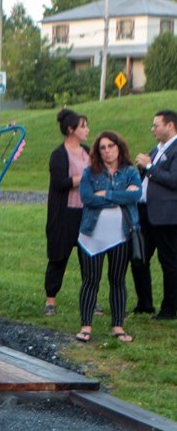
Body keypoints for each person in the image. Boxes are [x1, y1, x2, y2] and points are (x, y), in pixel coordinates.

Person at [76, 132, 142, 343]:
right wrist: (121, 196)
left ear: (119, 148)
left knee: (118, 280)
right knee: (90, 280)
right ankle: (86, 326)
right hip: (92, 235)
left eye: (111, 146)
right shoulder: (90, 173)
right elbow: (87, 198)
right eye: (102, 147)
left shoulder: (130, 172)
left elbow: (135, 195)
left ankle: (118, 326)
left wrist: (106, 194)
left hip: (121, 235)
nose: (107, 151)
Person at [44, 109, 89, 317]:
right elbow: (59, 183)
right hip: (64, 215)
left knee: (89, 259)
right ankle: (50, 300)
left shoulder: (88, 151)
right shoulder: (59, 154)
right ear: (71, 129)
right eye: (83, 126)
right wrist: (84, 177)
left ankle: (90, 299)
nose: (87, 130)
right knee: (58, 256)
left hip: (86, 213)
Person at [133, 109, 177, 319]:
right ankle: (144, 303)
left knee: (169, 261)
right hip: (145, 212)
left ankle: (170, 307)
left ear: (170, 125)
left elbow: (173, 180)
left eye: (156, 125)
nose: (153, 129)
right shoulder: (156, 149)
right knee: (138, 258)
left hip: (166, 215)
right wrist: (142, 169)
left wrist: (149, 166)